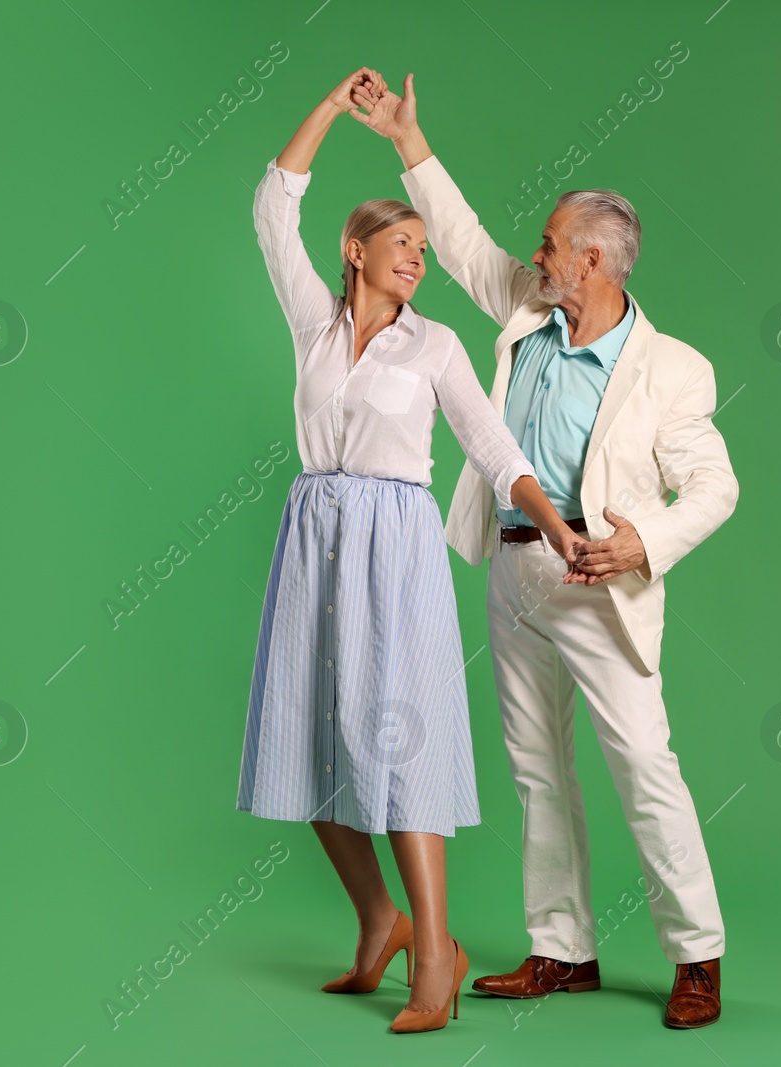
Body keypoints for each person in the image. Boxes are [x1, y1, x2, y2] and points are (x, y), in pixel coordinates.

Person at [350, 71, 740, 1029]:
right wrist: (409, 140)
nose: (538, 254)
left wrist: (640, 541)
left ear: (598, 261)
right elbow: (466, 241)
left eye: (556, 246)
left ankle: (697, 957)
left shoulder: (673, 368)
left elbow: (718, 486)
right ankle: (562, 948)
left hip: (598, 582)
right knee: (535, 767)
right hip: (515, 565)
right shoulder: (529, 308)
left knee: (644, 764)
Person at [234, 69, 583, 1035]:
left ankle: (437, 950)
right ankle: (378, 918)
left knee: (399, 743)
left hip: (396, 545)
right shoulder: (315, 324)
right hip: (314, 537)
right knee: (305, 738)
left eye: (425, 251)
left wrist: (550, 518)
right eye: (401, 245)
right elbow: (272, 206)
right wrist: (329, 111)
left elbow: (491, 445)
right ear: (355, 252)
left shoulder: (434, 348)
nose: (417, 261)